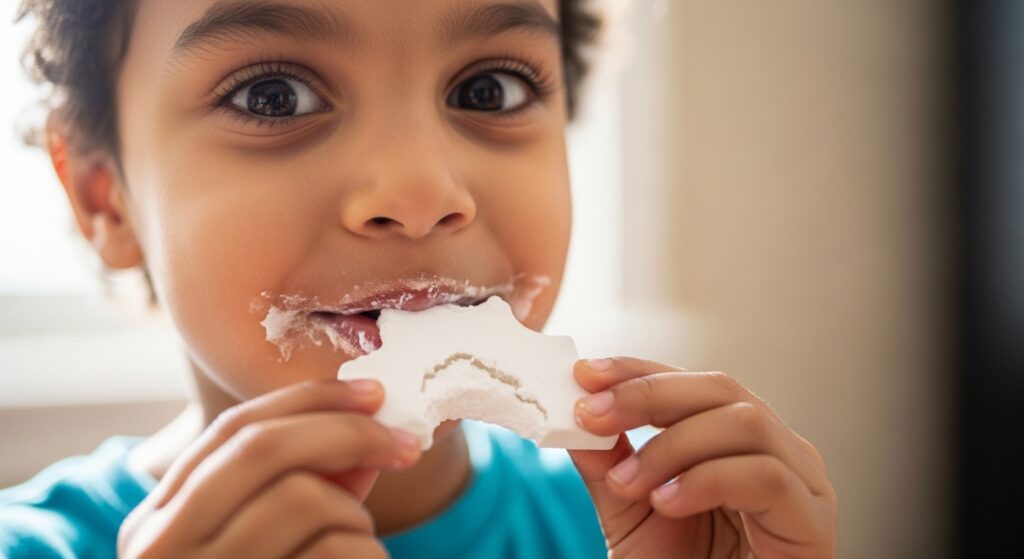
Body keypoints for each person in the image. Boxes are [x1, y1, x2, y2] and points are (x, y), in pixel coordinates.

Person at [0, 0, 838, 557]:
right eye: (273, 97)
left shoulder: (663, 526)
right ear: (103, 196)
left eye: (489, 88)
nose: (421, 193)